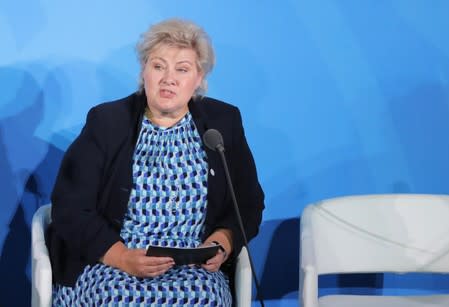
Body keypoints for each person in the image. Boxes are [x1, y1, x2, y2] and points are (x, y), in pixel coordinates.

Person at [47, 18, 265, 306]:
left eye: (182, 69)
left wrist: (221, 244)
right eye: (158, 66)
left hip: (193, 271)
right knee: (116, 299)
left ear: (199, 78)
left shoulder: (223, 123)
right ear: (144, 72)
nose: (168, 78)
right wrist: (122, 257)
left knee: (205, 298)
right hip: (110, 264)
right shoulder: (107, 122)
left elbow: (247, 203)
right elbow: (70, 207)